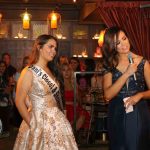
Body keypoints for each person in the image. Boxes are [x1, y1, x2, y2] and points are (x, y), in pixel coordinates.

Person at [13, 34, 78, 149]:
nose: (54, 51)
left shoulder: (53, 70)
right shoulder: (29, 71)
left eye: (55, 48)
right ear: (39, 47)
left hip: (57, 122)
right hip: (38, 121)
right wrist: (33, 125)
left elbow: (58, 97)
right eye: (50, 47)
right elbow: (19, 101)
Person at [102, 26, 150, 150]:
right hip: (116, 111)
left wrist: (140, 95)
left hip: (138, 111)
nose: (123, 44)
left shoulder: (142, 62)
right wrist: (127, 74)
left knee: (136, 145)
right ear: (112, 46)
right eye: (118, 43)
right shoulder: (109, 64)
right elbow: (107, 95)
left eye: (124, 39)